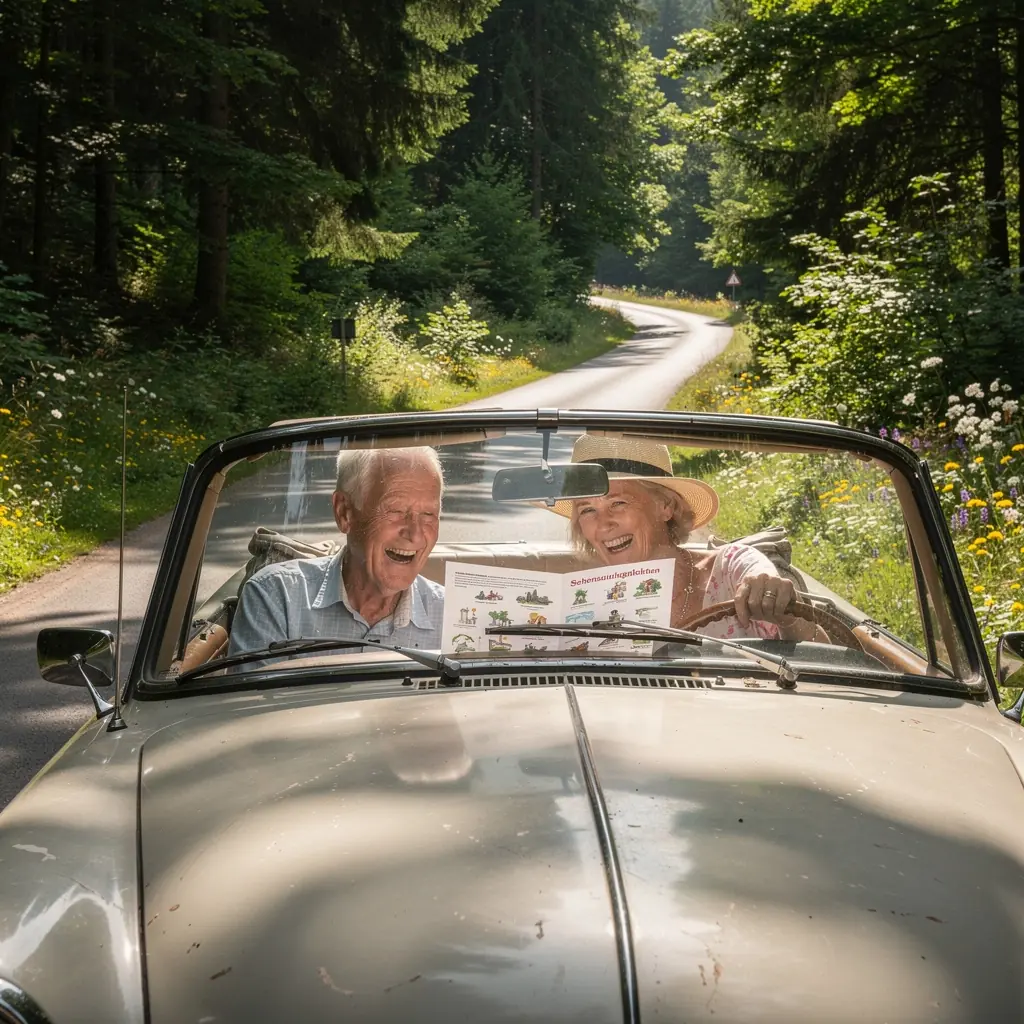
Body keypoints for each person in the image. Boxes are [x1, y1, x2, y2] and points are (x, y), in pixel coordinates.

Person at [556, 435, 822, 642]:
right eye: (587, 509)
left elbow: (822, 657)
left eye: (618, 503)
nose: (603, 526)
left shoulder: (730, 567)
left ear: (666, 507)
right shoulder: (580, 600)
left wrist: (779, 603)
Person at [229, 446, 445, 655]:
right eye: (395, 510)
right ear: (345, 513)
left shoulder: (454, 615)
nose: (415, 534)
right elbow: (253, 693)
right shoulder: (276, 596)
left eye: (428, 515)